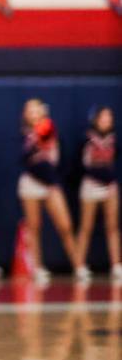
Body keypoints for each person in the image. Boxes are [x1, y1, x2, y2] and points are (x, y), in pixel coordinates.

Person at [18, 99, 79, 284]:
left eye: (37, 109)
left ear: (43, 111)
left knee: (66, 226)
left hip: (51, 184)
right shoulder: (24, 135)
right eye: (30, 110)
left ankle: (79, 266)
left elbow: (61, 158)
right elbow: (24, 159)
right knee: (34, 227)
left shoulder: (51, 129)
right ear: (25, 115)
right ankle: (37, 268)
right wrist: (35, 140)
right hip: (31, 184)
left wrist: (56, 178)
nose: (34, 113)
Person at [75, 106, 120, 281]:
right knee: (86, 227)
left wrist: (110, 180)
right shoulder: (86, 139)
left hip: (109, 187)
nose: (107, 120)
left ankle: (116, 265)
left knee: (112, 226)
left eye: (110, 117)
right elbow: (81, 166)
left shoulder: (114, 139)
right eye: (103, 117)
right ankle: (79, 266)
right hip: (91, 186)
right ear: (96, 120)